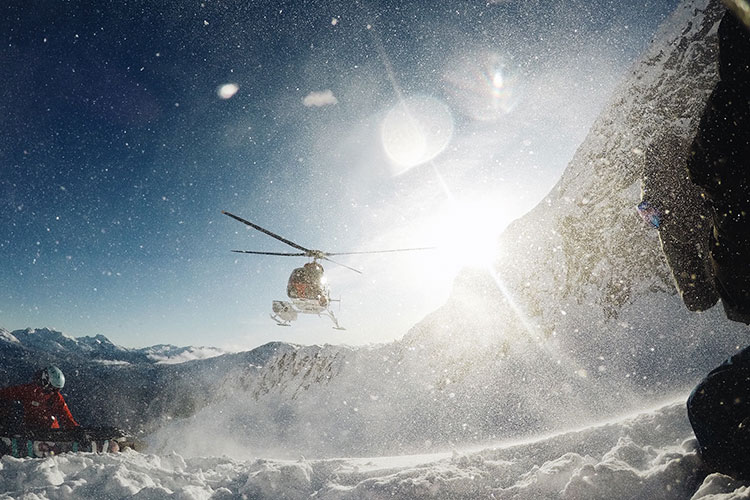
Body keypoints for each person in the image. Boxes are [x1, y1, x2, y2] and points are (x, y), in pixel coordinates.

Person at [681, 8, 750, 480]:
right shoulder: (728, 109)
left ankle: (729, 477)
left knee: (708, 407)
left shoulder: (731, 109)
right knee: (709, 406)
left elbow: (711, 170)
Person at [0, 365, 80, 432]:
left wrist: (75, 429)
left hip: (50, 433)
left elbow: (66, 416)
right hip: (30, 430)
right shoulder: (29, 391)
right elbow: (6, 393)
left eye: (57, 390)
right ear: (45, 381)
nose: (54, 392)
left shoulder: (56, 398)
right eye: (53, 388)